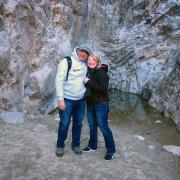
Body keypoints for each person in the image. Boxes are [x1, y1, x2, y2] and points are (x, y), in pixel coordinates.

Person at [55, 44, 91, 157]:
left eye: (86, 53)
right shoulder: (67, 61)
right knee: (64, 124)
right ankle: (60, 145)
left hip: (80, 100)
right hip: (67, 99)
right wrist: (60, 100)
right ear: (77, 50)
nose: (83, 54)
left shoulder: (86, 63)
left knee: (78, 124)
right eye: (82, 51)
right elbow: (59, 80)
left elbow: (97, 66)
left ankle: (75, 144)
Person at [83, 52, 116, 160]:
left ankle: (111, 150)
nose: (91, 62)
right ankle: (92, 145)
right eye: (89, 60)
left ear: (97, 62)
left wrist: (88, 82)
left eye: (93, 60)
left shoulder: (101, 72)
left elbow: (103, 88)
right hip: (90, 104)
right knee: (92, 126)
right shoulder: (88, 72)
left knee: (103, 127)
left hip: (101, 104)